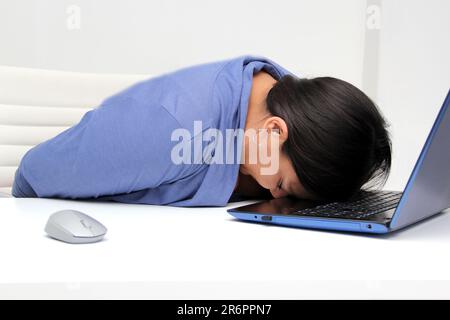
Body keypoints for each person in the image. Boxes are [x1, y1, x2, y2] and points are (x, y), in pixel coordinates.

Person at [12, 55, 391, 206]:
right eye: (281, 187)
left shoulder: (279, 92)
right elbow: (31, 176)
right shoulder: (171, 131)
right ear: (275, 131)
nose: (274, 195)